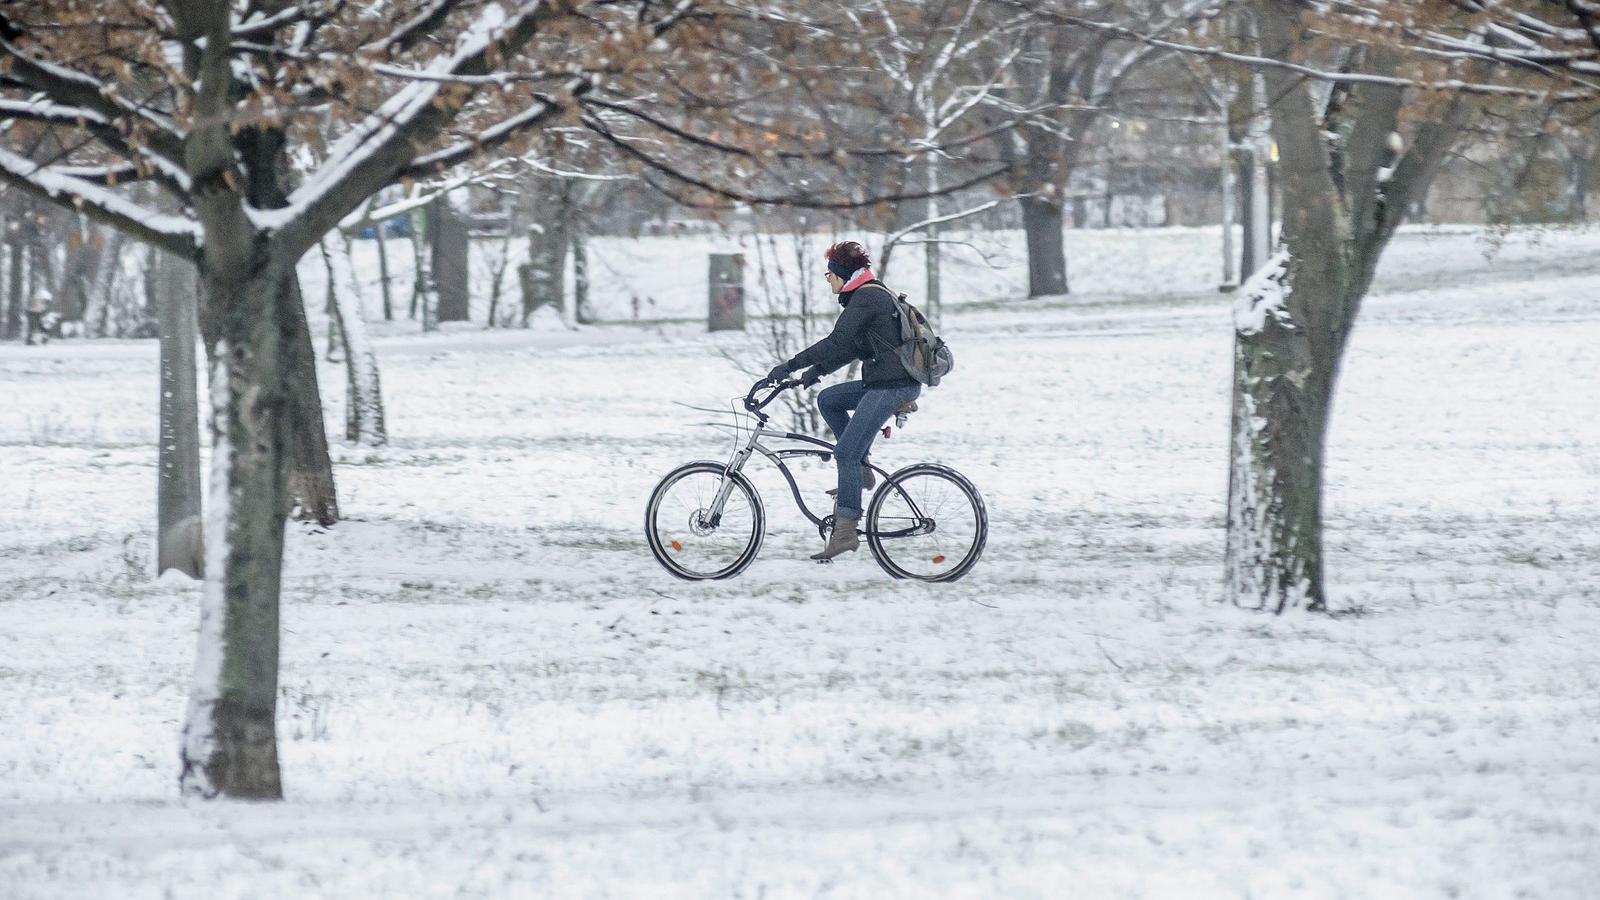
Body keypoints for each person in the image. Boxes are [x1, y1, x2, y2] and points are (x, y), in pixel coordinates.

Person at [766, 241, 921, 561]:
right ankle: (862, 471)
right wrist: (817, 372)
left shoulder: (867, 298)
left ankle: (846, 531)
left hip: (892, 387)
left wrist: (790, 365)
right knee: (829, 399)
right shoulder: (868, 295)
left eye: (830, 276)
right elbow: (849, 348)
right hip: (885, 382)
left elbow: (837, 341)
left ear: (842, 275)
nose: (829, 282)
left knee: (844, 454)